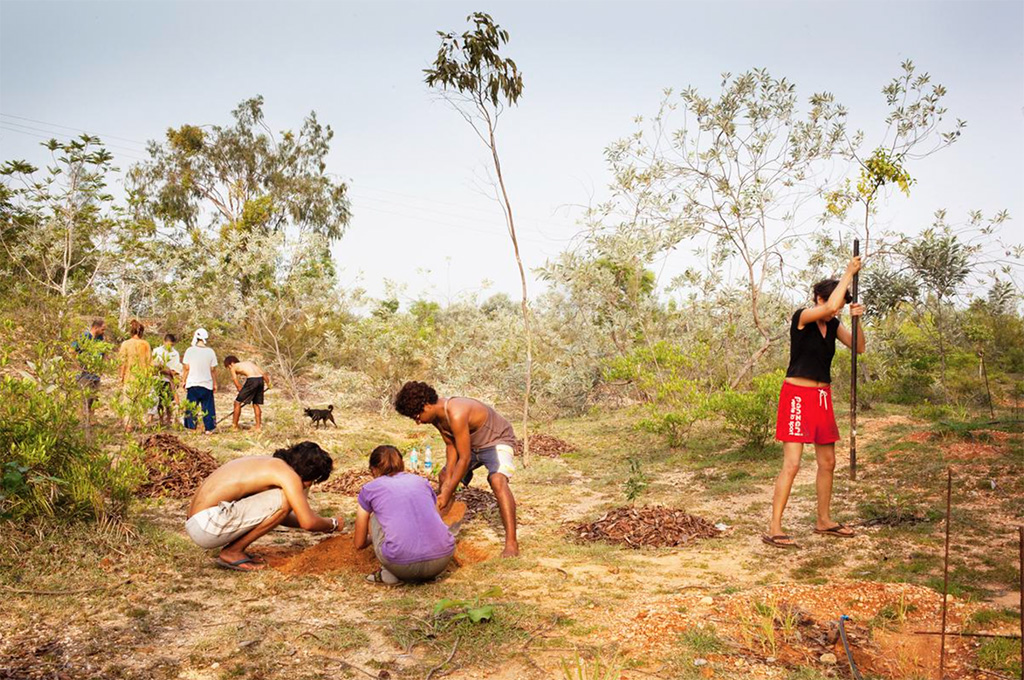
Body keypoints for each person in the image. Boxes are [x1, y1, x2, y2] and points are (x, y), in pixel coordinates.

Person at [764, 255, 866, 549]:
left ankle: (823, 520)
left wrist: (858, 320)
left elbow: (859, 347)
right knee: (792, 464)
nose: (837, 311)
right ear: (818, 299)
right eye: (834, 304)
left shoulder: (833, 326)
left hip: (822, 396)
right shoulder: (802, 317)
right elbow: (831, 306)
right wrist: (849, 272)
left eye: (842, 307)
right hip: (797, 394)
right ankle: (775, 527)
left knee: (828, 462)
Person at [394, 381, 519, 557]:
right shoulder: (436, 418)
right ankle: (438, 531)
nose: (418, 422)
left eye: (417, 416)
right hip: (470, 446)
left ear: (427, 405)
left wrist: (447, 492)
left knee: (497, 480)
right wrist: (447, 484)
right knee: (445, 476)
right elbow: (451, 447)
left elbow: (464, 458)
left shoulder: (456, 412)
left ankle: (511, 543)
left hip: (495, 441)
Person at [186, 441, 342, 572]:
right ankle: (232, 552)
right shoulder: (288, 475)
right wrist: (332, 524)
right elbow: (307, 522)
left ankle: (234, 551)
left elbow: (279, 515)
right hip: (207, 526)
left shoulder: (269, 464)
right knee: (286, 499)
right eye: (313, 482)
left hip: (198, 523)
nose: (309, 486)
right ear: (309, 474)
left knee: (283, 501)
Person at [353, 445, 456, 584]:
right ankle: (424, 572)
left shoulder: (370, 489)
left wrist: (373, 538)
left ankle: (388, 574)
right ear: (403, 464)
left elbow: (359, 543)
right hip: (441, 561)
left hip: (402, 565)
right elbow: (436, 515)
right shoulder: (422, 482)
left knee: (375, 516)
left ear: (373, 469)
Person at [118, 319, 153, 433]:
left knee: (128, 403)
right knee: (142, 405)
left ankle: (128, 426)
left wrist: (121, 376)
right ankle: (142, 425)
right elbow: (150, 363)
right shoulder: (145, 344)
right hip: (143, 378)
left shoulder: (126, 344)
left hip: (129, 377)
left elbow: (122, 362)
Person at [182, 328, 218, 434]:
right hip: (207, 383)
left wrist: (183, 380)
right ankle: (209, 428)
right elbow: (213, 370)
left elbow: (186, 368)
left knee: (191, 407)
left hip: (193, 383)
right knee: (208, 407)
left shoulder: (190, 350)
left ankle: (191, 428)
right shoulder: (210, 352)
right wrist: (215, 383)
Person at [223, 356, 271, 433]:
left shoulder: (233, 367)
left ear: (231, 363)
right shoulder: (249, 363)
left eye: (228, 367)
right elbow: (263, 374)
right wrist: (268, 384)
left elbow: (235, 380)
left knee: (237, 403)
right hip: (260, 380)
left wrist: (240, 391)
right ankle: (258, 427)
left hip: (252, 380)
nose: (229, 369)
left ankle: (234, 426)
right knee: (256, 403)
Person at [73, 318, 107, 421]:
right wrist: (77, 365)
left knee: (93, 397)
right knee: (83, 397)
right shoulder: (85, 336)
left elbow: (103, 352)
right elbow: (72, 350)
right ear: (96, 327)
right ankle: (81, 419)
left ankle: (91, 419)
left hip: (95, 373)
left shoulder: (100, 338)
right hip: (85, 373)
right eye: (102, 329)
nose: (103, 332)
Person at [152, 333, 182, 427]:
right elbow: (154, 366)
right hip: (159, 378)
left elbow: (175, 368)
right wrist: (166, 370)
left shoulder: (175, 353)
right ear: (164, 342)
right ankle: (161, 420)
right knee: (160, 401)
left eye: (172, 345)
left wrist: (171, 373)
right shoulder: (157, 351)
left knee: (169, 401)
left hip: (169, 380)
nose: (170, 347)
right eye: (168, 344)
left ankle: (169, 419)